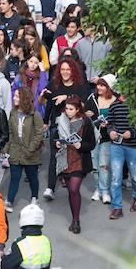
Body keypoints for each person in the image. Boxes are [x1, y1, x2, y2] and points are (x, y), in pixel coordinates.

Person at [41, 58, 90, 201]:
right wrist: (45, 121)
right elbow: (49, 102)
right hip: (58, 124)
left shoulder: (79, 85)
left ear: (73, 70)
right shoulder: (55, 83)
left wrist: (67, 97)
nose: (65, 72)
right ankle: (50, 187)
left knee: (74, 155)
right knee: (54, 156)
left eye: (68, 69)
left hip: (75, 126)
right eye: (62, 69)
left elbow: (83, 103)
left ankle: (72, 183)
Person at [54, 95, 96, 233]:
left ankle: (76, 220)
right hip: (64, 160)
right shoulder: (61, 121)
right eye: (66, 108)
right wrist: (57, 143)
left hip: (79, 160)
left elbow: (91, 144)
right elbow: (55, 139)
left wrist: (80, 145)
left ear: (78, 109)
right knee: (71, 193)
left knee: (73, 189)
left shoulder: (86, 122)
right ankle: (74, 219)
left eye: (71, 109)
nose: (68, 111)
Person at [3, 87, 45, 212]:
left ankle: (34, 198)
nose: (14, 98)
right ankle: (9, 200)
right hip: (16, 151)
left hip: (30, 153)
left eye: (17, 96)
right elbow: (10, 132)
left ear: (24, 99)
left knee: (32, 176)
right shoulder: (13, 113)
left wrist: (31, 148)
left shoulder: (34, 115)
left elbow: (39, 134)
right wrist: (7, 148)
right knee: (14, 177)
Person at [106, 90, 136, 219]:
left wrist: (132, 133)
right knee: (116, 177)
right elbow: (110, 123)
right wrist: (110, 132)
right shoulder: (114, 105)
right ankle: (117, 207)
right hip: (117, 145)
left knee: (135, 175)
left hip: (134, 146)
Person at [89, 74, 117, 204]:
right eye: (98, 84)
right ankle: (98, 189)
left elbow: (119, 120)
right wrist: (87, 114)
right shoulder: (92, 98)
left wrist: (109, 124)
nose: (98, 87)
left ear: (109, 87)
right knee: (95, 165)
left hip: (107, 138)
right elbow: (84, 115)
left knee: (104, 165)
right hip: (93, 137)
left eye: (102, 85)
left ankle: (105, 191)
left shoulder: (115, 101)